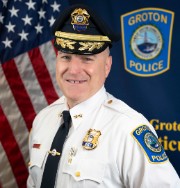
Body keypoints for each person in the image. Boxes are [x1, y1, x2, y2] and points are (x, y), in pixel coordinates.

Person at [27, 4, 180, 188]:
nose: (73, 70)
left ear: (107, 66)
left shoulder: (127, 129)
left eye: (87, 59)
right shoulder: (43, 120)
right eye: (66, 57)